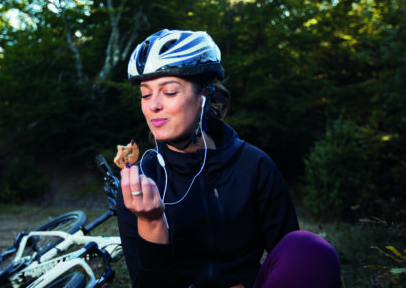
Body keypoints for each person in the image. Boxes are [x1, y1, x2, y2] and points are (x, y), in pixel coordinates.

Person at [116, 29, 342, 288]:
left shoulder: (254, 165)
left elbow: (290, 260)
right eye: (146, 94)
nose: (153, 105)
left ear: (204, 97)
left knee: (309, 248)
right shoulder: (140, 182)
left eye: (168, 92)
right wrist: (152, 221)